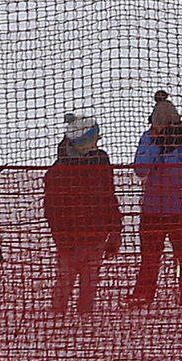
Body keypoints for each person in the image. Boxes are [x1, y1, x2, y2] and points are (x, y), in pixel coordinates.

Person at [42, 113, 124, 314]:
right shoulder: (57, 173)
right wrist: (62, 239)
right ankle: (59, 322)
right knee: (64, 283)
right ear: (84, 139)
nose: (98, 141)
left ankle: (84, 323)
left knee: (89, 284)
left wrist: (115, 231)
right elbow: (52, 210)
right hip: (69, 240)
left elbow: (108, 196)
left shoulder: (101, 162)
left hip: (95, 237)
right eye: (94, 137)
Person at [127, 91, 182, 307]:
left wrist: (163, 157)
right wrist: (158, 148)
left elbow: (181, 176)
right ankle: (144, 293)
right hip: (151, 208)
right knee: (149, 256)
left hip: (178, 209)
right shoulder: (149, 138)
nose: (155, 129)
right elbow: (140, 169)